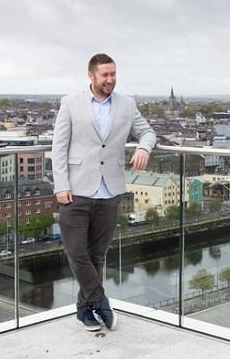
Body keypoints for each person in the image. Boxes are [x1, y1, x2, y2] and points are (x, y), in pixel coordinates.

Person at [52, 53, 156, 331]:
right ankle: (100, 302)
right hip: (75, 191)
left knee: (97, 256)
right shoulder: (70, 104)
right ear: (91, 76)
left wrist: (144, 147)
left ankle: (84, 311)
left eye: (113, 74)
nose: (110, 80)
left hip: (109, 191)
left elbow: (148, 133)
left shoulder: (127, 104)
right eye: (104, 75)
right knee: (76, 252)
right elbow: (58, 148)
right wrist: (61, 185)